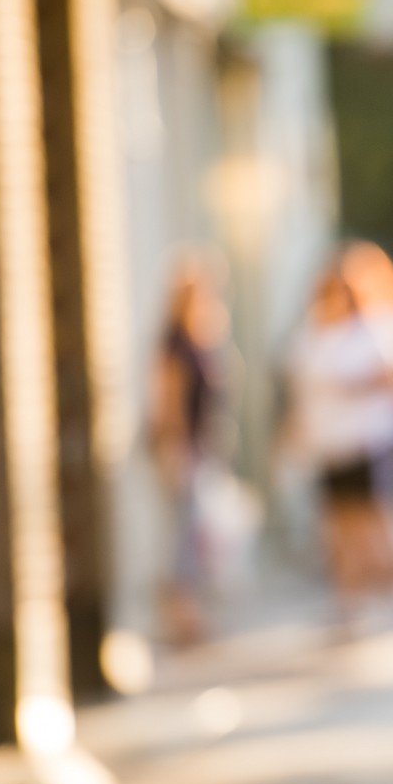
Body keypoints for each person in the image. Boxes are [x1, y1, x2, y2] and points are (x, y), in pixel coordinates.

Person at [283, 241, 393, 634]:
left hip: (375, 441)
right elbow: (301, 394)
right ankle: (350, 602)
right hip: (332, 446)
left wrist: (360, 382)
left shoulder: (384, 326)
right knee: (341, 530)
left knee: (383, 523)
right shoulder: (313, 335)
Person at [148, 258, 230, 649]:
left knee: (196, 535)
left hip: (198, 448)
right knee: (185, 535)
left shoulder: (200, 339)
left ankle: (190, 614)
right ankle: (181, 617)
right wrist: (176, 452)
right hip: (182, 451)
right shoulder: (174, 345)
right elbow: (170, 406)